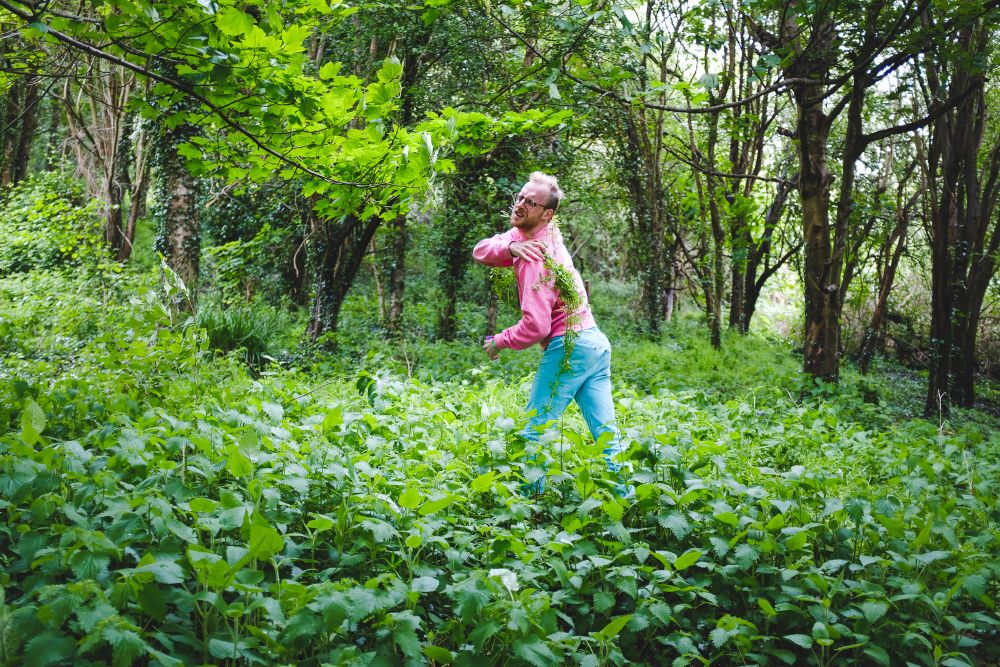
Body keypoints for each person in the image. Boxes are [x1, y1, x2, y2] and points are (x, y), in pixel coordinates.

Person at [472, 171, 630, 495]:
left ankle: (532, 513)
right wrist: (510, 249)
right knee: (606, 436)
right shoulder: (542, 233)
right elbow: (482, 249)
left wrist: (499, 341)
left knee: (535, 432)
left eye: (531, 202)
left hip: (569, 346)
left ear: (547, 214)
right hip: (595, 344)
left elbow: (537, 326)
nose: (520, 205)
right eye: (520, 196)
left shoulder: (535, 257)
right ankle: (627, 499)